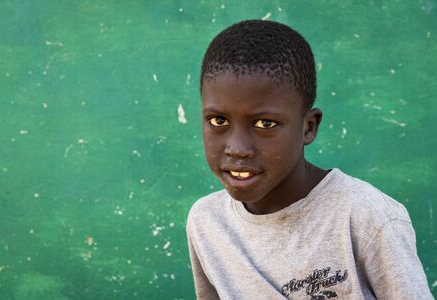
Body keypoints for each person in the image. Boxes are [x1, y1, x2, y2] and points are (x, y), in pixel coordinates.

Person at [186, 19, 433, 300]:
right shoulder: (206, 222)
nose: (238, 149)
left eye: (265, 124)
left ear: (309, 127)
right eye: (218, 120)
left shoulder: (369, 218)